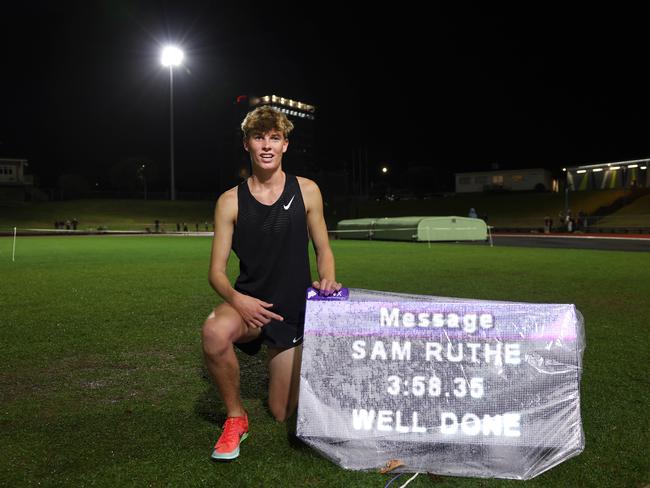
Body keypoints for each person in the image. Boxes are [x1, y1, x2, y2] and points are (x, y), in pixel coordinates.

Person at [202, 105, 341, 461]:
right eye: (258, 137)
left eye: (274, 138)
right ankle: (236, 417)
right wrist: (239, 299)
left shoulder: (307, 191)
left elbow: (324, 249)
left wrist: (327, 278)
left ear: (285, 145)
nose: (266, 145)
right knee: (215, 331)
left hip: (291, 311)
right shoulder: (229, 201)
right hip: (249, 307)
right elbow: (216, 272)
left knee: (281, 412)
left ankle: (293, 359)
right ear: (246, 143)